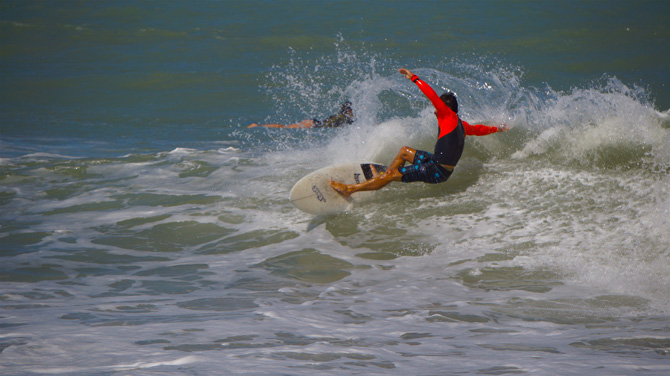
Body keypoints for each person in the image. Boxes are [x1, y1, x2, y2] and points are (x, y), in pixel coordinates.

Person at [330, 68, 509, 197]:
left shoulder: (447, 115)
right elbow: (479, 130)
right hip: (435, 162)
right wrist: (497, 129)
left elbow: (431, 95)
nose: (434, 110)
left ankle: (350, 189)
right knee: (404, 151)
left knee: (393, 175)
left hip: (436, 170)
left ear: (444, 108)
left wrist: (413, 78)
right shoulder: (461, 125)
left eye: (438, 107)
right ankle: (383, 178)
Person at [247, 102, 354, 128]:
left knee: (285, 127)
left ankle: (258, 126)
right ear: (348, 110)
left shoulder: (339, 117)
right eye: (351, 110)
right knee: (285, 127)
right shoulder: (344, 118)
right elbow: (353, 124)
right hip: (315, 124)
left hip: (314, 122)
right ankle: (257, 126)